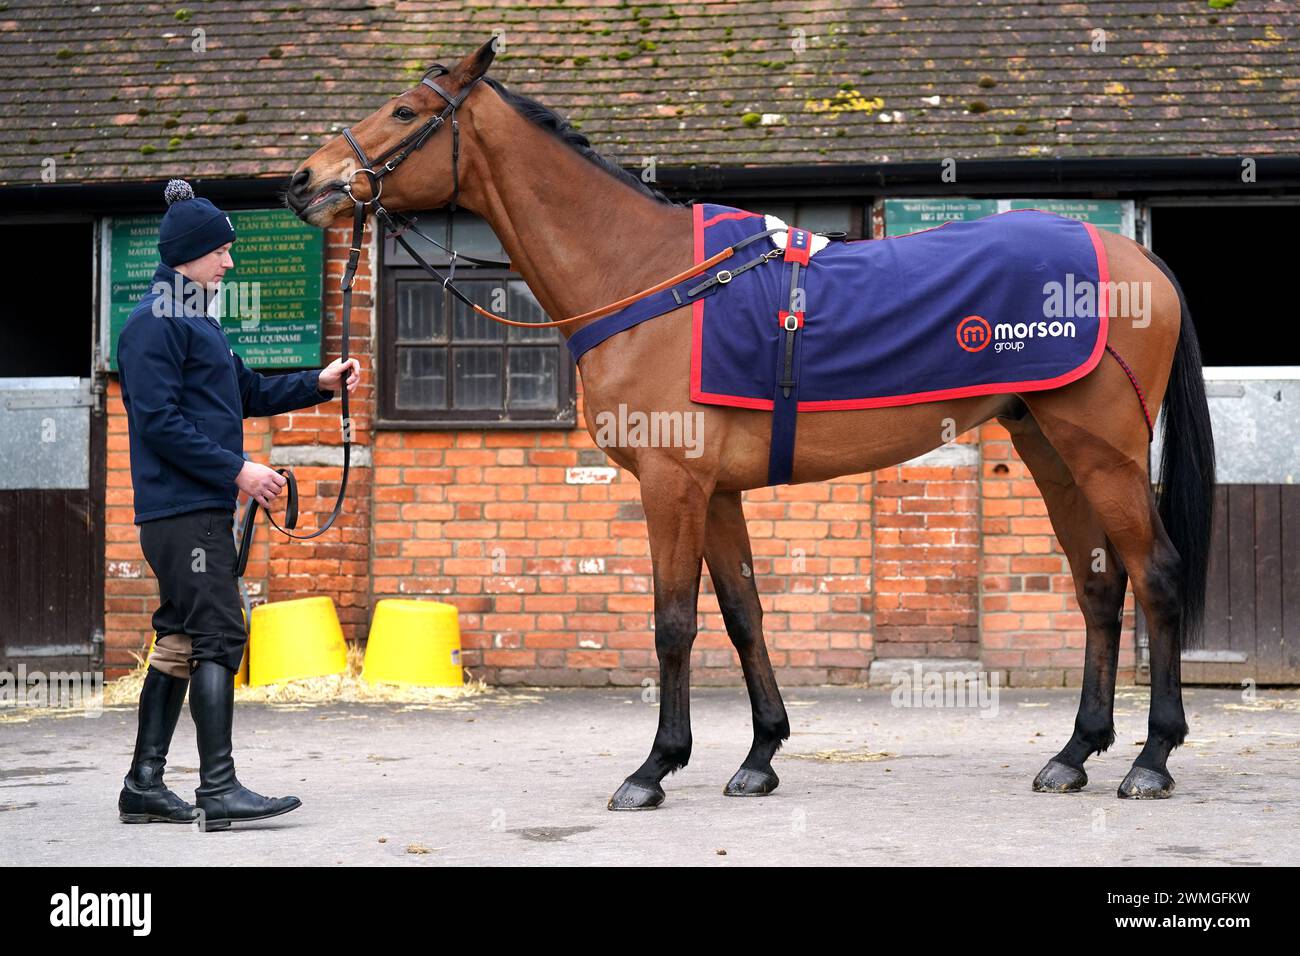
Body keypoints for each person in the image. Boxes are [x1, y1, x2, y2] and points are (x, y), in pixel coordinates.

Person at [115, 179, 360, 831]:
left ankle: (143, 785)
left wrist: (318, 383)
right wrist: (240, 470)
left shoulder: (195, 320)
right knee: (222, 631)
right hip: (180, 514)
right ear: (188, 256)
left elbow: (242, 390)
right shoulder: (151, 326)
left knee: (179, 639)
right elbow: (159, 422)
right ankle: (217, 789)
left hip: (193, 509)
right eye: (220, 251)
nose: (229, 262)